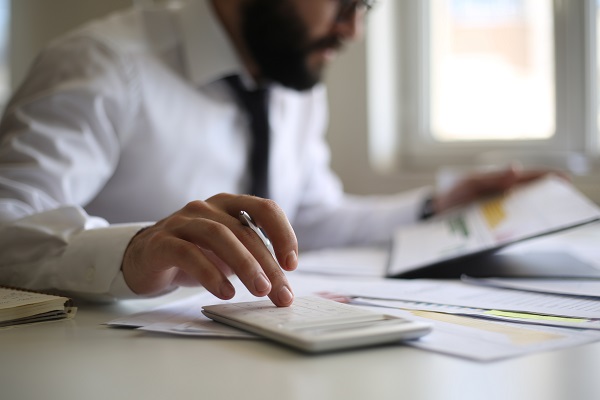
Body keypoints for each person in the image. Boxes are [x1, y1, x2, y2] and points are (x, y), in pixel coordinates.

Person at [0, 0, 546, 306]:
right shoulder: (101, 65)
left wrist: (436, 207)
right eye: (343, 2)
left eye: (367, 8)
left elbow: (305, 216)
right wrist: (134, 251)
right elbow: (7, 226)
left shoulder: (292, 78)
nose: (352, 30)